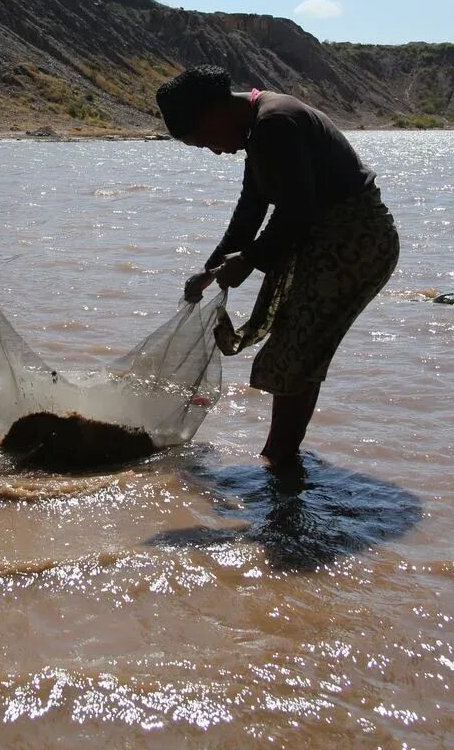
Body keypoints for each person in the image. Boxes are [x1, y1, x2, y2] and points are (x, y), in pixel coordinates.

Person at [156, 65, 399, 467]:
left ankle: (280, 457)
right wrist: (212, 267)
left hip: (355, 241)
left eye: (206, 140)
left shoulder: (276, 124)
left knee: (298, 348)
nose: (216, 150)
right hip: (328, 240)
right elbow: (252, 206)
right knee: (295, 345)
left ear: (216, 112)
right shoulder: (259, 125)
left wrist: (249, 261)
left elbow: (297, 211)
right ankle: (283, 456)